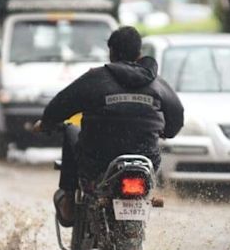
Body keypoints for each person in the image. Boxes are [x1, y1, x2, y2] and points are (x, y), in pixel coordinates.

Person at [33, 26, 184, 226]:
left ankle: (68, 201)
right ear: (139, 53)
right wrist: (167, 132)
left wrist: (46, 123)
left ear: (111, 52)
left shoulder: (95, 78)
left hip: (99, 161)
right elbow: (177, 116)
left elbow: (59, 106)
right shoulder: (157, 83)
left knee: (70, 129)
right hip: (146, 161)